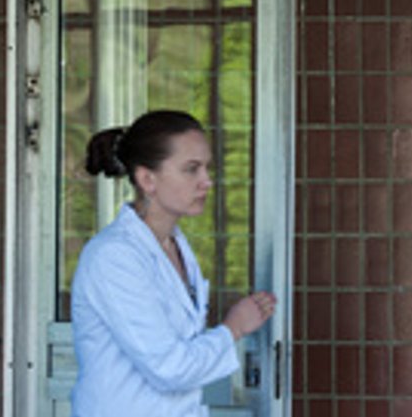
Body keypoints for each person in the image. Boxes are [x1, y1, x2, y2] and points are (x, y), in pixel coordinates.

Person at [71, 110, 276, 417]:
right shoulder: (113, 256)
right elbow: (169, 369)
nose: (207, 181)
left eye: (207, 168)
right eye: (191, 169)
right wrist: (233, 328)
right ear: (147, 179)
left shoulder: (174, 245)